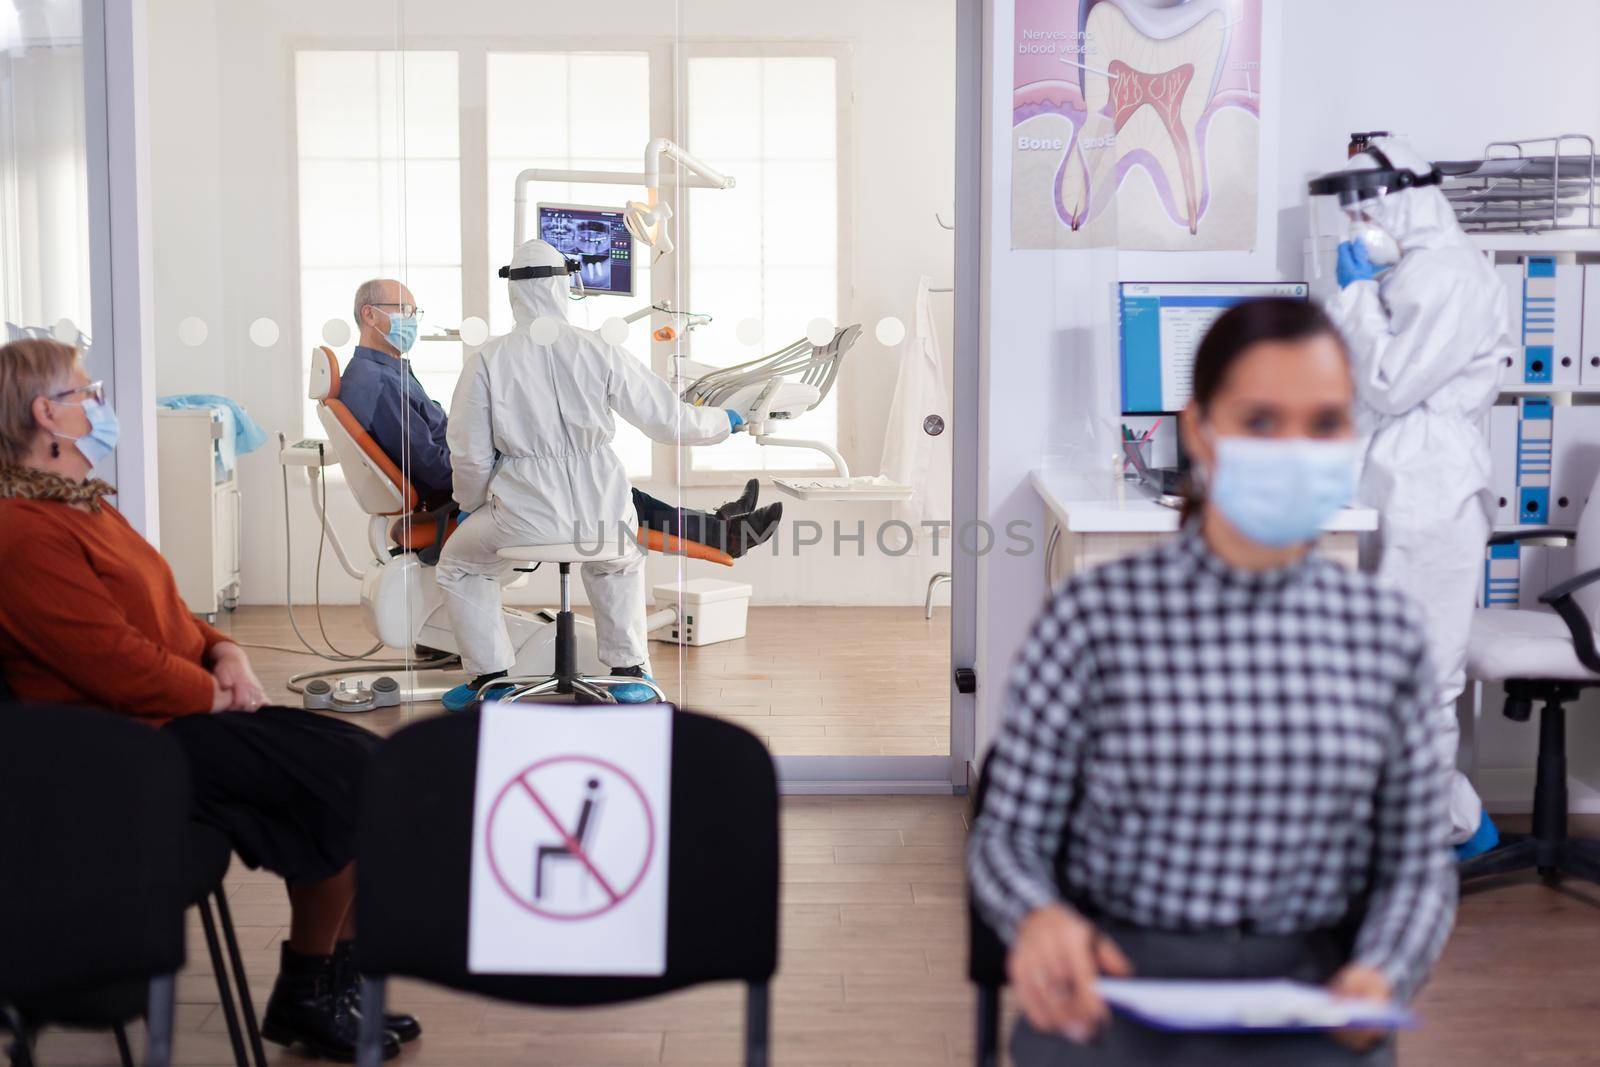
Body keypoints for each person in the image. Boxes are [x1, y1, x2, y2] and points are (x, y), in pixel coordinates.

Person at [967, 299, 1456, 1066]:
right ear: (1200, 430)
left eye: (1323, 423)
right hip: (1116, 985)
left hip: (1311, 995)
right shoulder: (1096, 617)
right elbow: (1010, 835)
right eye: (1262, 421)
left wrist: (1384, 967)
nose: (1295, 449)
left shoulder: (1386, 635)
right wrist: (1037, 918)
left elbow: (1418, 861)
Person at [0, 339, 418, 1062]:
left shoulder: (84, 505)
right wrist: (215, 690)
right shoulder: (19, 533)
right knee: (352, 775)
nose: (101, 405)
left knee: (361, 764)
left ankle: (324, 985)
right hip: (126, 743)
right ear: (47, 413)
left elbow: (162, 607)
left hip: (176, 712)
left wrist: (224, 649)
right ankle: (311, 993)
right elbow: (112, 661)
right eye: (86, 392)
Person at [436, 239, 749, 706]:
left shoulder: (486, 359)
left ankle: (491, 679)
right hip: (601, 502)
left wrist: (470, 506)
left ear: (513, 292)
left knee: (460, 565)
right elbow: (669, 420)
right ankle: (628, 672)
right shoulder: (600, 349)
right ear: (565, 284)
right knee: (617, 561)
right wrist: (725, 421)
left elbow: (469, 455)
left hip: (524, 511)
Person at [1327, 137, 1514, 860]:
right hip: (1396, 484)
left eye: (1367, 198)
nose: (1357, 215)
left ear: (1408, 191)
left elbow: (1391, 383)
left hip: (1432, 495)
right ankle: (1427, 824)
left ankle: (1448, 831)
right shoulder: (1408, 271)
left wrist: (1351, 297)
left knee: (1421, 679)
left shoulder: (1452, 275)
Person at [338, 277, 782, 548]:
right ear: (369, 314)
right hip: (454, 499)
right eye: (405, 311)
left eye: (416, 311)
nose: (413, 319)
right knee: (605, 495)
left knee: (611, 493)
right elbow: (434, 467)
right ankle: (723, 531)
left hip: (467, 484)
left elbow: (439, 441)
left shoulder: (386, 371)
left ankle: (721, 526)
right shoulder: (375, 383)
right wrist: (510, 456)